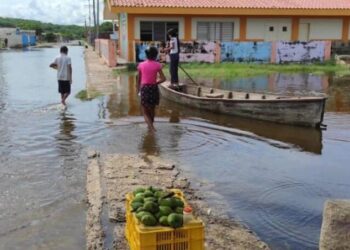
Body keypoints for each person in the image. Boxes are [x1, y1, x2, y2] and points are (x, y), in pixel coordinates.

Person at [137, 47, 166, 132]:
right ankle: (151, 127)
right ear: (156, 55)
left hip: (144, 88)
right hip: (153, 88)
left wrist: (138, 90)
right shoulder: (158, 65)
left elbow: (139, 79)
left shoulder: (141, 65)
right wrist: (155, 83)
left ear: (146, 55)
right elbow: (163, 78)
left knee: (145, 111)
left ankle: (152, 128)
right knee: (152, 109)